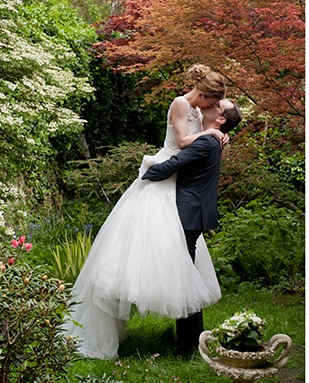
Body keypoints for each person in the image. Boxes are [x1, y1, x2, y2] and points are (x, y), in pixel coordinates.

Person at [62, 64, 229, 359]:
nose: (213, 108)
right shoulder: (180, 103)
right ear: (201, 94)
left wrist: (215, 132)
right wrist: (211, 135)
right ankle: (103, 331)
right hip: (162, 177)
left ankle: (186, 338)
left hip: (176, 184)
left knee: (175, 257)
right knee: (136, 252)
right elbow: (180, 143)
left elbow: (196, 143)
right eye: (212, 102)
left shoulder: (197, 112)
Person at [142, 98, 242, 356]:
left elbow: (174, 165)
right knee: (186, 274)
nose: (211, 104)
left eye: (217, 105)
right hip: (192, 211)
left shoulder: (208, 141)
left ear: (220, 119)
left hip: (189, 212)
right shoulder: (211, 135)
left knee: (184, 278)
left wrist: (147, 171)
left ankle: (187, 348)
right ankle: (193, 342)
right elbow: (195, 104)